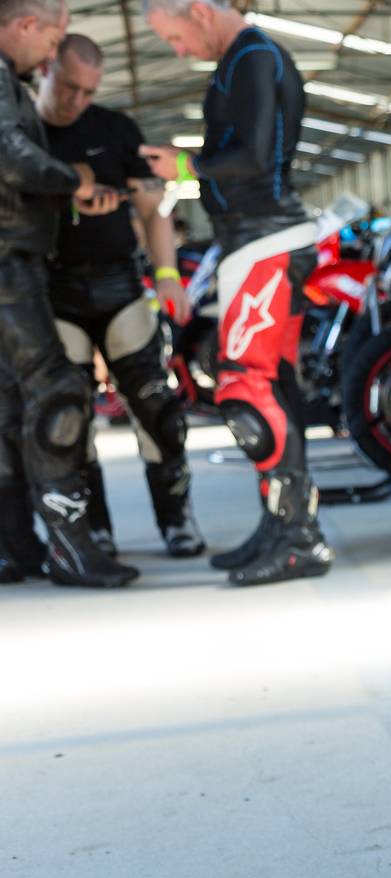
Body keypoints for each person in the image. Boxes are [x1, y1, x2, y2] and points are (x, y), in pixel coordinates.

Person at [140, 0, 331, 586]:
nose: (177, 51)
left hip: (265, 241)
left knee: (247, 389)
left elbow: (252, 156)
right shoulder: (246, 59)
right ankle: (284, 526)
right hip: (257, 241)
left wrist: (185, 166)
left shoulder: (253, 57)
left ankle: (298, 537)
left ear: (199, 11)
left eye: (175, 37)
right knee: (269, 387)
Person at [39, 32, 204, 559]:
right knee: (69, 419)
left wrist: (168, 275)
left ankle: (177, 520)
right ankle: (95, 531)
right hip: (52, 288)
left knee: (158, 408)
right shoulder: (23, 134)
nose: (77, 101)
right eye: (69, 87)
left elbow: (153, 211)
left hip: (119, 286)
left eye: (88, 91)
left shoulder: (115, 130)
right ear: (45, 68)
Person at [0, 0, 136, 587]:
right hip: (7, 262)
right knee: (56, 393)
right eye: (54, 39)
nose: (53, 52)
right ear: (27, 25)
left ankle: (16, 549)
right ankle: (71, 548)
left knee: (9, 406)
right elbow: (10, 159)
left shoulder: (11, 80)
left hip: (14, 257)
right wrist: (72, 182)